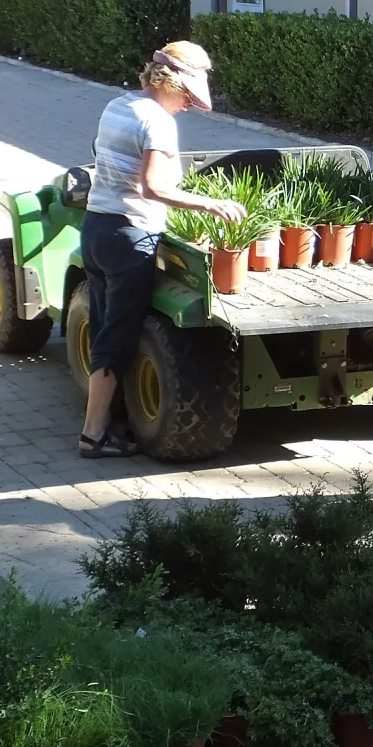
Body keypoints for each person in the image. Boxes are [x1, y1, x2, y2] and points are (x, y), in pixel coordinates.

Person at [78, 41, 244, 459]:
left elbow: (106, 160)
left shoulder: (118, 105)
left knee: (103, 330)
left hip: (97, 229)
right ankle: (93, 435)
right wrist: (211, 204)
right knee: (118, 339)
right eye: (188, 96)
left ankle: (106, 424)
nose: (188, 105)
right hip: (132, 236)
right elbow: (155, 187)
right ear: (172, 83)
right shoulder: (158, 122)